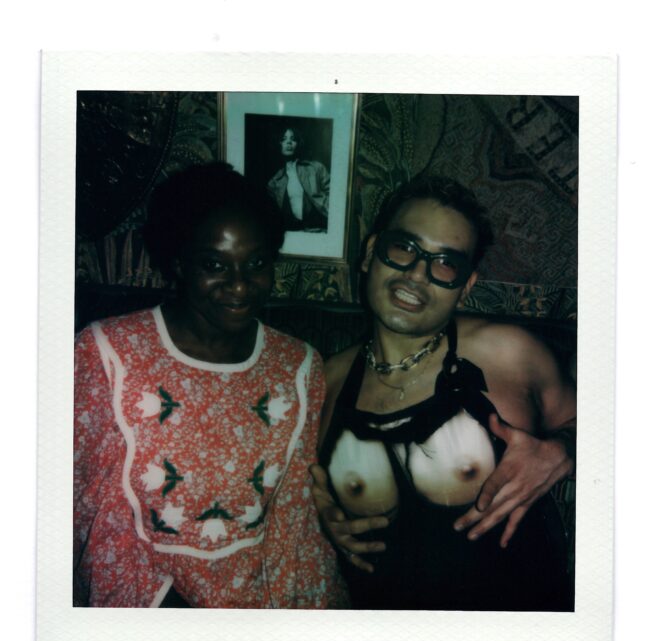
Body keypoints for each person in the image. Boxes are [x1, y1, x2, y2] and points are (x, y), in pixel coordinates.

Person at [73, 161, 346, 608]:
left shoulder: (298, 366)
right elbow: (93, 511)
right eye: (214, 264)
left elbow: (294, 518)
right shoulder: (108, 354)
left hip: (260, 603)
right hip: (149, 603)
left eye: (256, 263)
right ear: (179, 263)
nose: (239, 285)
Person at [313, 174, 576, 610]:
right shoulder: (323, 381)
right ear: (370, 252)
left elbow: (610, 422)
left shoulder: (511, 353)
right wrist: (318, 520)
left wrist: (563, 449)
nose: (417, 274)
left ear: (466, 286)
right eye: (404, 247)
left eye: (446, 263)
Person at [267, 123, 330, 232]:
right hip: (292, 233)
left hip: (319, 230)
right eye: (283, 139)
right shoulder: (274, 182)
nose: (289, 142)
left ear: (298, 143)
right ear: (278, 144)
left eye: (293, 139)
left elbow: (334, 198)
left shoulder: (316, 168)